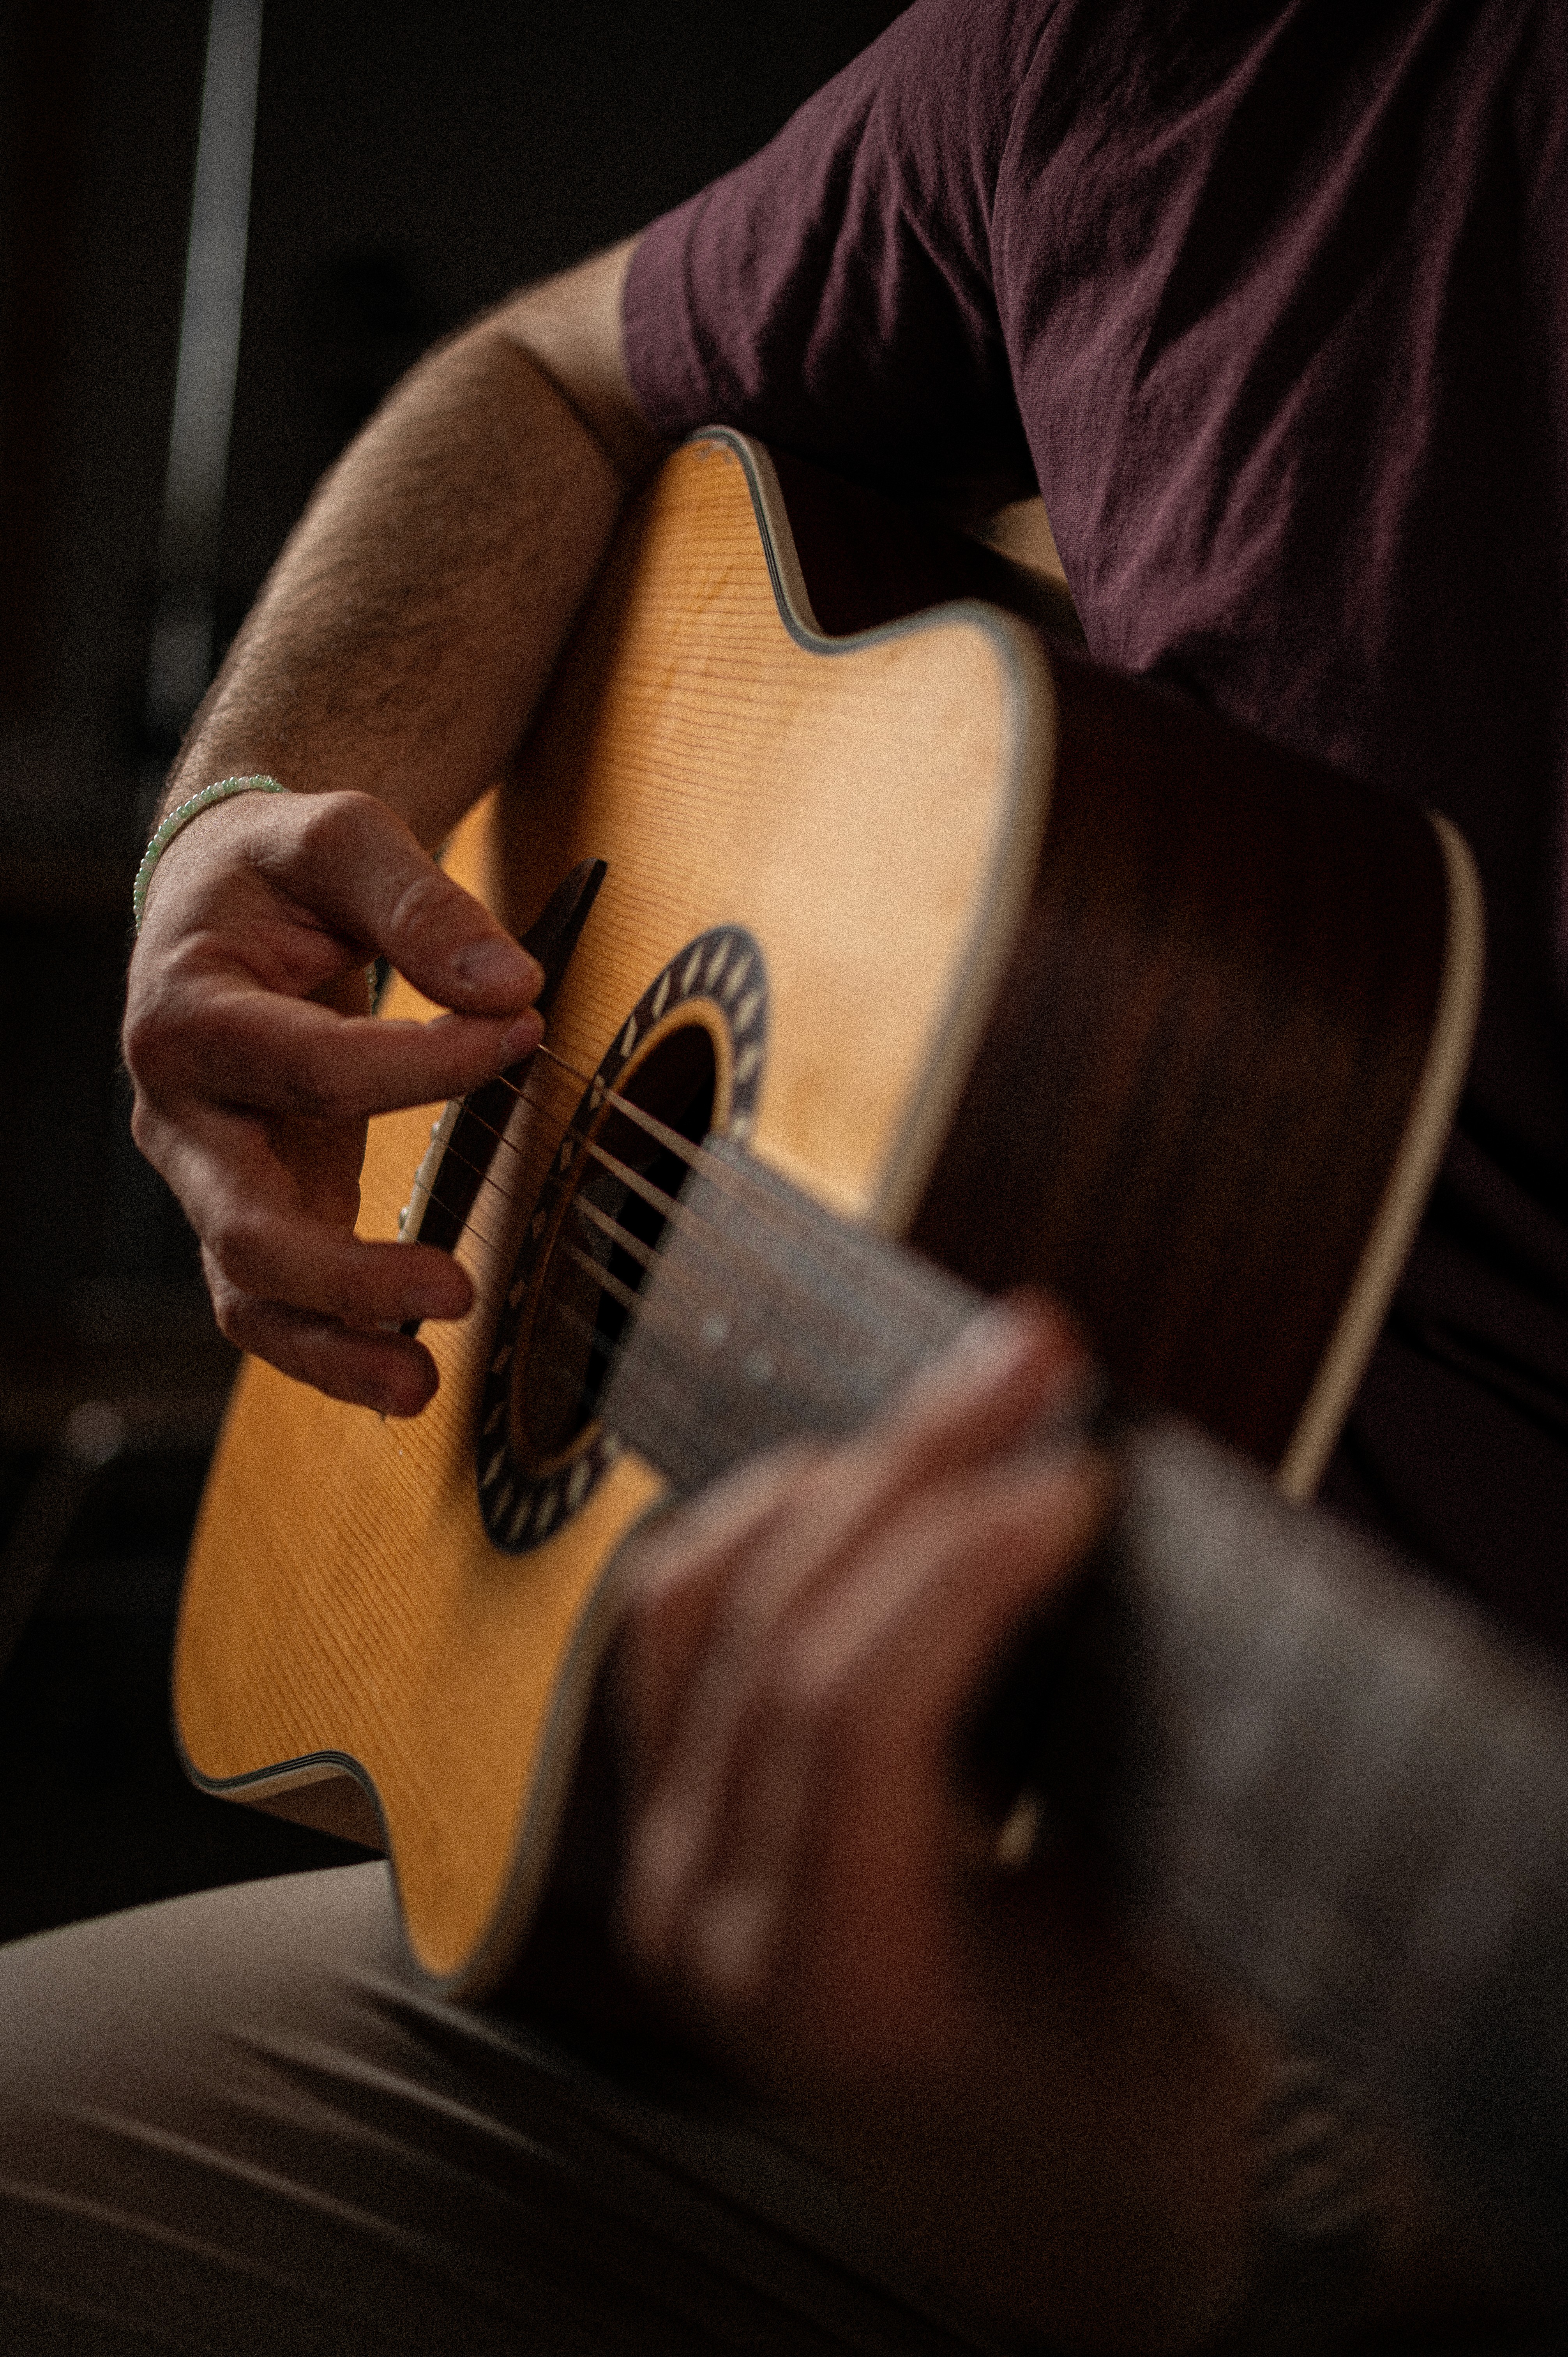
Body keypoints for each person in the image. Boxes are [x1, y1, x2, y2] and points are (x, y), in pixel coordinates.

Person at [3, 0, 1565, 2346]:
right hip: (855, 1933)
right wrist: (241, 816)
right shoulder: (1128, 52)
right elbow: (543, 378)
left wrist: (1166, 2222)